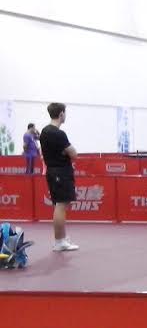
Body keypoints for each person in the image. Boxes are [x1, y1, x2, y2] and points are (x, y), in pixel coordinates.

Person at [40, 103, 79, 252]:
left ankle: (61, 238)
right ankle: (59, 242)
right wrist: (65, 153)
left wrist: (64, 153)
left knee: (59, 205)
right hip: (60, 173)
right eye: (65, 113)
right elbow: (73, 154)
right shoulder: (58, 134)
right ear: (61, 114)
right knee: (61, 206)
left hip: (52, 171)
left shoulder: (44, 131)